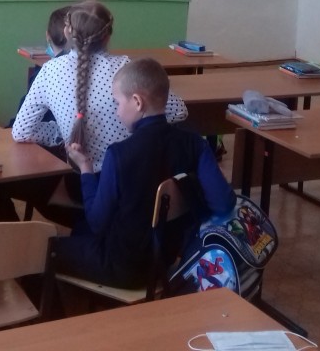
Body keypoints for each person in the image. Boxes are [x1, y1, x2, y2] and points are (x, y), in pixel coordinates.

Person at [54, 58, 235, 288]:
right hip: (165, 261)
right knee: (79, 232)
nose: (117, 112)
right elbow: (223, 204)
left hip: (123, 267)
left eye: (118, 103)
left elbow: (97, 223)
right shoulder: (195, 144)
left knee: (48, 249)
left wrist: (86, 169)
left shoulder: (119, 154)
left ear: (137, 102)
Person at [11, 0, 188, 173]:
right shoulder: (126, 69)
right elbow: (178, 111)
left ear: (67, 32)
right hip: (137, 176)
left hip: (81, 181)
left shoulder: (50, 71)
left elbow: (21, 131)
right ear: (107, 36)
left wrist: (65, 130)